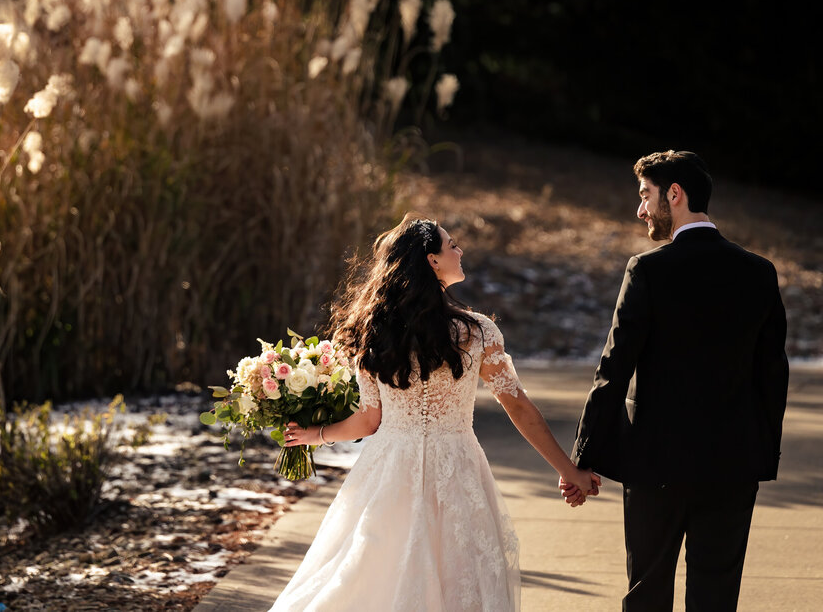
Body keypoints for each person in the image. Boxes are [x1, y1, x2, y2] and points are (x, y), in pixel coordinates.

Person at [271, 214, 598, 612]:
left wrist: (316, 435)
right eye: (452, 244)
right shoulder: (477, 332)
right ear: (432, 261)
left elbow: (369, 422)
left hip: (388, 471)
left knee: (370, 574)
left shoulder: (372, 331)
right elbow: (517, 405)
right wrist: (568, 469)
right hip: (457, 471)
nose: (460, 250)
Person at [564, 150, 789, 611]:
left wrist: (582, 460)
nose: (640, 209)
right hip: (734, 466)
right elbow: (773, 374)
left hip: (656, 466)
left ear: (675, 193)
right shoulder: (759, 273)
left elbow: (613, 370)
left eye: (645, 195)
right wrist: (760, 455)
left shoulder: (647, 269)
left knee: (647, 593)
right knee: (717, 596)